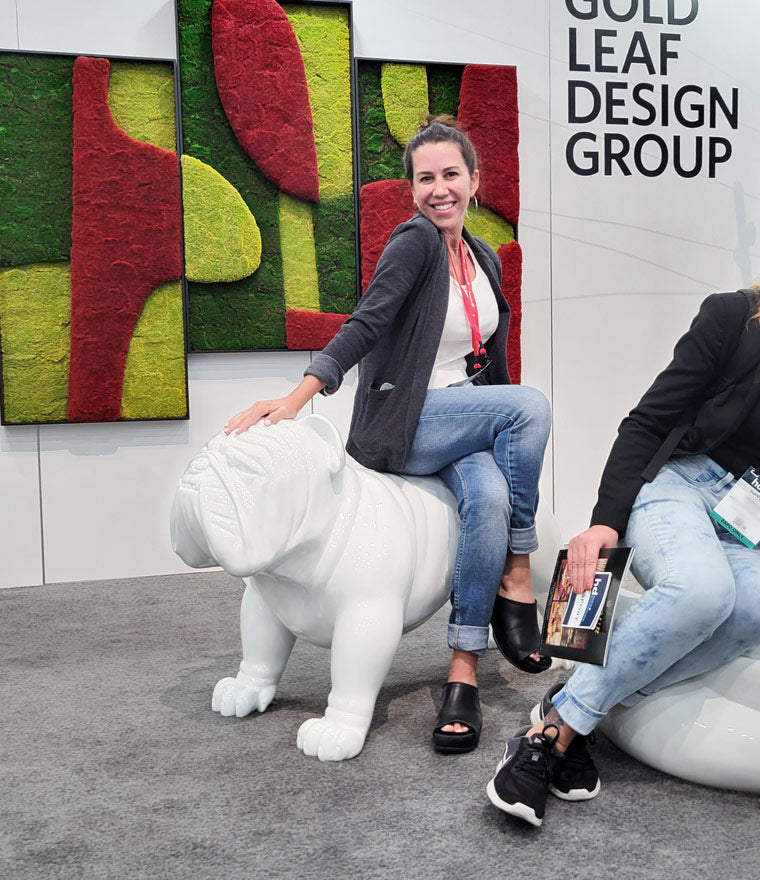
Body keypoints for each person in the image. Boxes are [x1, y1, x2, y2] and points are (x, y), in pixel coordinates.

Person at [486, 147, 760, 826]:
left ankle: (570, 706)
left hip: (753, 518)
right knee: (703, 592)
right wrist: (604, 520)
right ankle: (549, 738)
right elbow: (647, 422)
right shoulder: (733, 317)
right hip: (679, 485)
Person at [224, 116, 552, 754]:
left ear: (474, 182)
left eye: (451, 175)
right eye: (425, 178)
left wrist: (491, 417)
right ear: (412, 189)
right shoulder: (415, 243)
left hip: (462, 411)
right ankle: (518, 570)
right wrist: (300, 395)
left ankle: (463, 671)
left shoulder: (481, 256)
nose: (439, 189)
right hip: (407, 418)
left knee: (485, 498)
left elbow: (488, 355)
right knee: (531, 408)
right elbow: (366, 322)